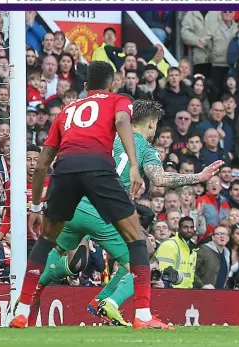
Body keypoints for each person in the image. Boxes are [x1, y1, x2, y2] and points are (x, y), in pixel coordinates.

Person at [30, 100, 224, 327]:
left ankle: (27, 299)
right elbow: (160, 179)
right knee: (141, 258)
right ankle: (111, 302)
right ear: (151, 123)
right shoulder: (143, 148)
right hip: (101, 210)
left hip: (73, 206)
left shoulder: (107, 134)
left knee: (56, 250)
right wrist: (198, 177)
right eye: (156, 125)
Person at [9, 61, 168, 330]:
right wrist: (134, 165)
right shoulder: (118, 101)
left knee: (46, 241)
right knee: (137, 241)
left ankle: (22, 311)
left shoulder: (67, 110)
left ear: (84, 87)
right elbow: (120, 120)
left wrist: (36, 207)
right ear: (112, 83)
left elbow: (44, 161)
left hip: (65, 169)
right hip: (98, 168)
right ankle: (142, 315)